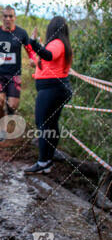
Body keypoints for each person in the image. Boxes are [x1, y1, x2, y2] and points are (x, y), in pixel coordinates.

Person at [24, 16, 73, 174]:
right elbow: (46, 59)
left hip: (52, 89)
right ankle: (47, 161)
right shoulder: (61, 44)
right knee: (51, 125)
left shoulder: (57, 43)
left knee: (43, 124)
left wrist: (33, 43)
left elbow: (48, 55)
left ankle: (43, 162)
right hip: (55, 88)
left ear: (52, 29)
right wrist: (36, 48)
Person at [0, 6, 37, 142]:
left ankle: (9, 113)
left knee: (13, 105)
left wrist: (33, 59)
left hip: (14, 75)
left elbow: (30, 50)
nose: (8, 19)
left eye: (11, 16)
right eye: (5, 16)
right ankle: (2, 130)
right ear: (1, 18)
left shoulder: (21, 33)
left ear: (15, 17)